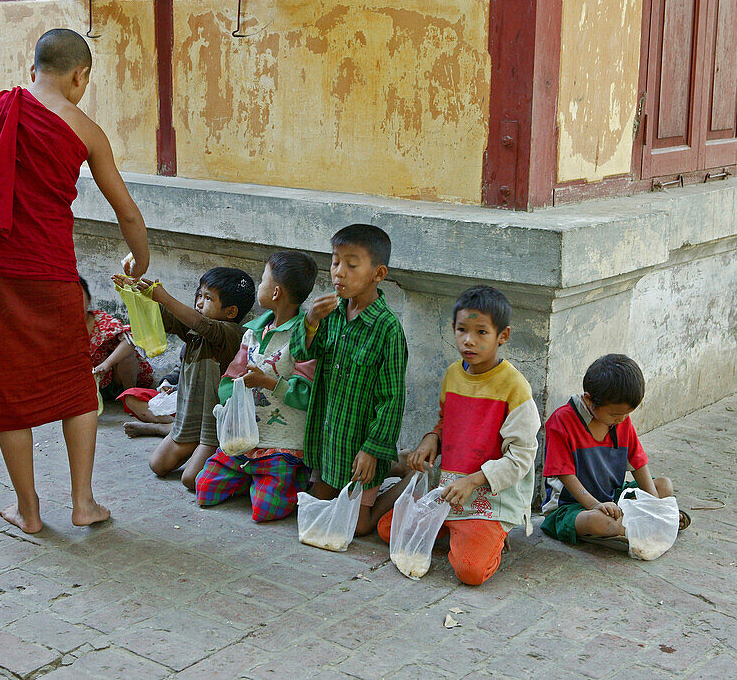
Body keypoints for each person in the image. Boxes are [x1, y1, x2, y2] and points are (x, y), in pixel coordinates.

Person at [0, 28, 149, 533]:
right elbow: (128, 214)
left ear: (33, 69)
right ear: (80, 75)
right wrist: (138, 260)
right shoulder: (85, 129)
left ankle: (27, 509)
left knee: (9, 388)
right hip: (51, 271)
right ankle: (83, 503)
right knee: (74, 382)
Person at [377, 286, 540, 586]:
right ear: (452, 328)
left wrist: (473, 480)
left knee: (470, 571)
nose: (469, 340)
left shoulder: (515, 388)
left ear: (502, 336)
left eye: (481, 332)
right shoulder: (453, 374)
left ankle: (490, 536)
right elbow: (446, 422)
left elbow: (520, 459)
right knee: (389, 530)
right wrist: (431, 439)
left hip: (487, 500)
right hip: (450, 492)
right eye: (462, 330)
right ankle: (455, 530)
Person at [291, 224, 407, 536]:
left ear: (378, 274)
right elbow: (301, 353)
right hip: (330, 439)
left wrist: (372, 448)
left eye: (351, 265)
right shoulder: (331, 312)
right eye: (334, 262)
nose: (339, 272)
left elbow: (392, 399)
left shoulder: (387, 329)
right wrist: (311, 322)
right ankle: (395, 464)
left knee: (356, 527)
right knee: (321, 507)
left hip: (360, 441)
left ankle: (402, 476)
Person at [195, 252, 319, 521]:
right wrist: (234, 394)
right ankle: (253, 478)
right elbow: (230, 379)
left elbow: (307, 395)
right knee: (204, 489)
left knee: (265, 511)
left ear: (275, 292)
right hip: (244, 439)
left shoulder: (304, 337)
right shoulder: (253, 331)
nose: (259, 285)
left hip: (282, 443)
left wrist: (268, 382)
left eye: (263, 280)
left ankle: (291, 478)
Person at [115, 268, 255, 490]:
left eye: (208, 298)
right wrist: (137, 293)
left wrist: (164, 297)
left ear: (231, 312)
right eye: (199, 295)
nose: (199, 302)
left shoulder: (230, 333)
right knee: (157, 465)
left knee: (191, 480)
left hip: (214, 428)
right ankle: (167, 429)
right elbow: (166, 317)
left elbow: (200, 324)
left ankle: (228, 460)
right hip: (188, 418)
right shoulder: (194, 330)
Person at [541, 354, 689, 547]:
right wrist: (595, 505)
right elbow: (564, 474)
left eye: (627, 414)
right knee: (600, 522)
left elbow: (638, 464)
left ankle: (646, 522)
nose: (622, 419)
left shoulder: (621, 421)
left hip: (612, 497)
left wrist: (656, 506)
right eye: (615, 414)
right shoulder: (562, 421)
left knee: (663, 486)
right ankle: (641, 527)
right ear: (589, 400)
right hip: (571, 507)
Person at [80, 276, 155, 393]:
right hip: (82, 387)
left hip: (110, 382)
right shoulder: (58, 328)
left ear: (89, 300)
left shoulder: (100, 321)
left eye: (79, 297)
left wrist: (106, 364)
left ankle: (129, 396)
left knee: (127, 355)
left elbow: (130, 339)